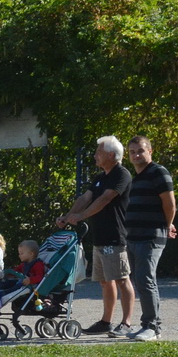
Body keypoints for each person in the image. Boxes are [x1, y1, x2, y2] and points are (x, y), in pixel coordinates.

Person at [55, 136, 134, 335]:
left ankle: (126, 323)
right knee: (105, 281)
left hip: (115, 236)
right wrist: (68, 217)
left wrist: (81, 216)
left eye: (99, 152)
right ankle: (106, 322)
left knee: (121, 279)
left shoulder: (122, 174)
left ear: (111, 155)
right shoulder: (100, 177)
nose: (95, 155)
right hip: (99, 237)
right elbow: (85, 198)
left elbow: (105, 199)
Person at [125, 134, 175, 342]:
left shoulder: (158, 172)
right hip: (133, 237)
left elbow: (169, 203)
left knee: (146, 280)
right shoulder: (136, 178)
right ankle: (146, 324)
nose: (136, 155)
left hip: (151, 236)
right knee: (139, 280)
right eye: (132, 152)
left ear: (150, 151)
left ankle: (153, 327)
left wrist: (167, 224)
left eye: (140, 151)